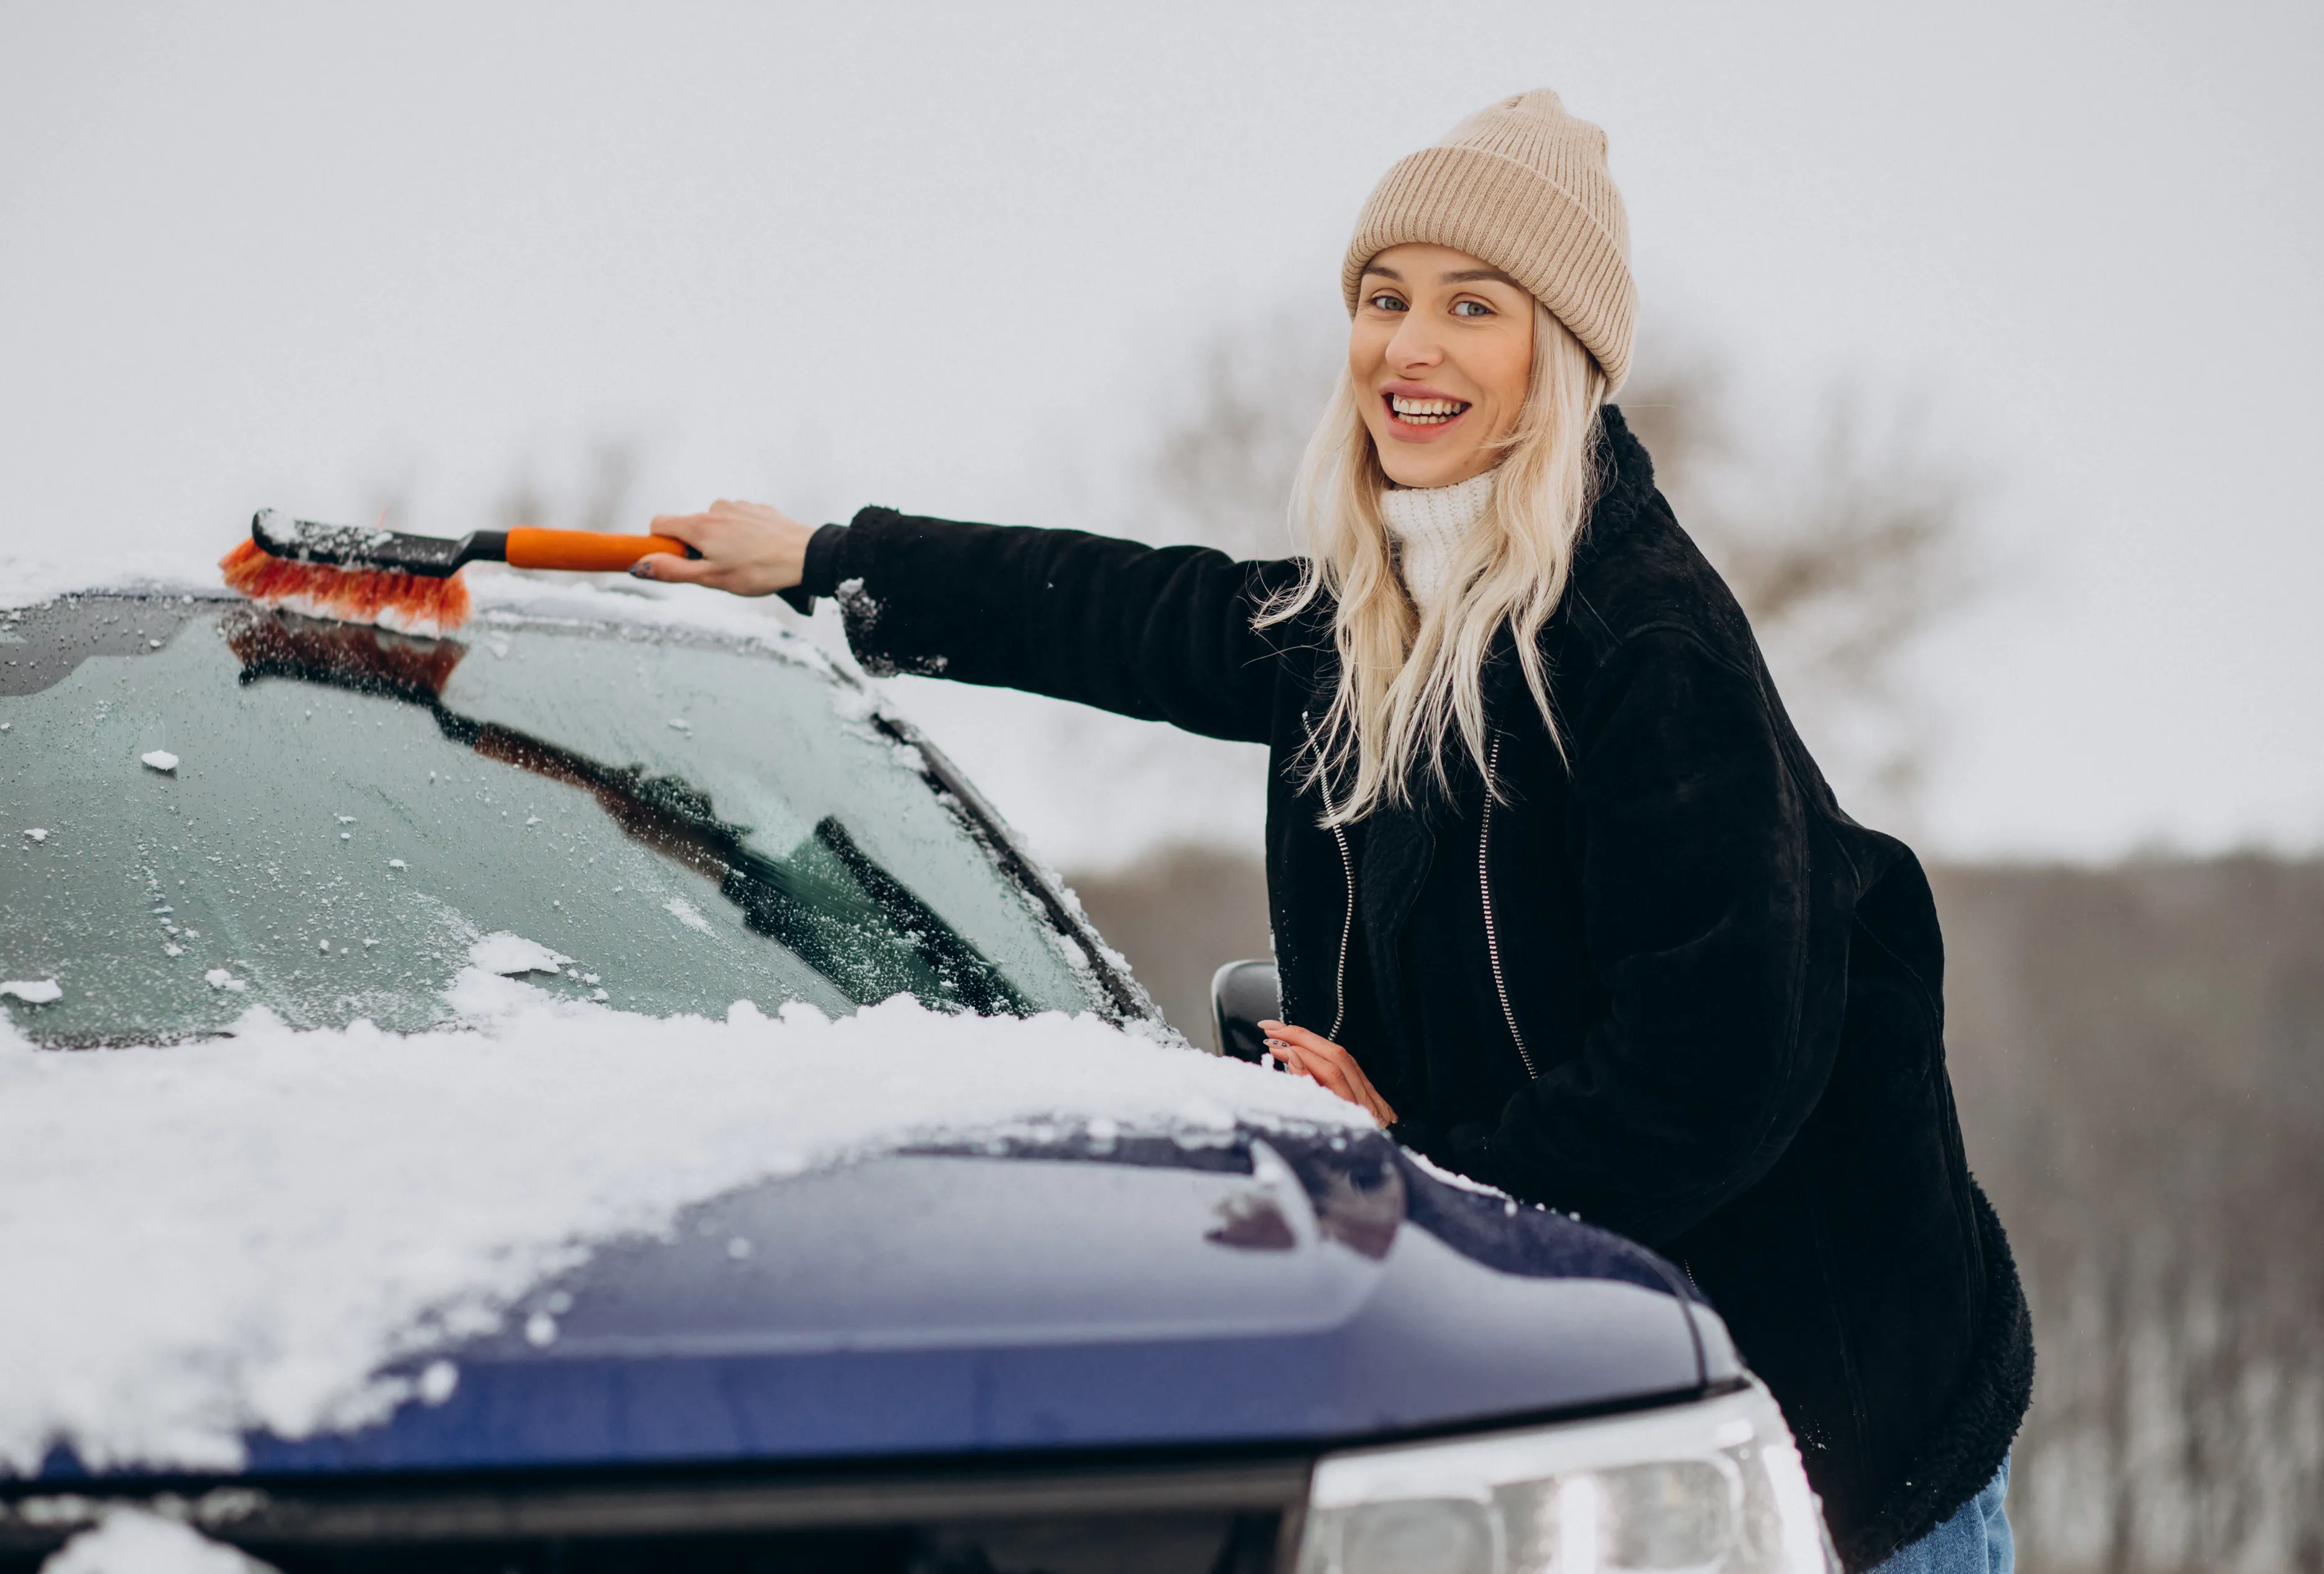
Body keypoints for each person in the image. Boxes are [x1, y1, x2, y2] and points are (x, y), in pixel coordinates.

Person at [631, 89, 2032, 1574]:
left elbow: (1714, 1074)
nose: (1406, 348)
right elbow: (1127, 614)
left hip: (1840, 1432)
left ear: (1556, 359)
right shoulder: (1369, 620)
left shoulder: (1642, 647)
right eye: (1382, 299)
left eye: (1470, 307)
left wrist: (1416, 1166)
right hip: (1594, 1409)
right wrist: (830, 561)